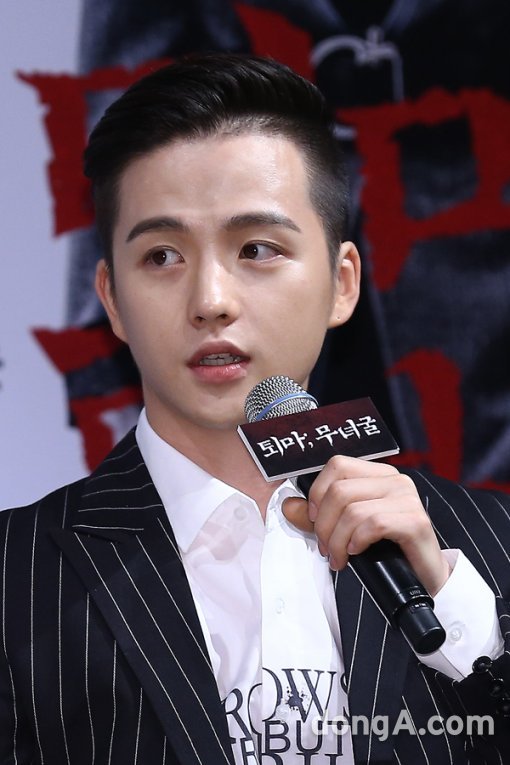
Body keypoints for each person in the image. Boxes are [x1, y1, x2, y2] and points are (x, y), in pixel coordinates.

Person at [1, 54, 509, 765]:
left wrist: (462, 620)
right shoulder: (14, 571)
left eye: (257, 248)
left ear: (342, 282)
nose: (211, 300)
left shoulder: (491, 542)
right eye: (162, 257)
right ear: (111, 298)